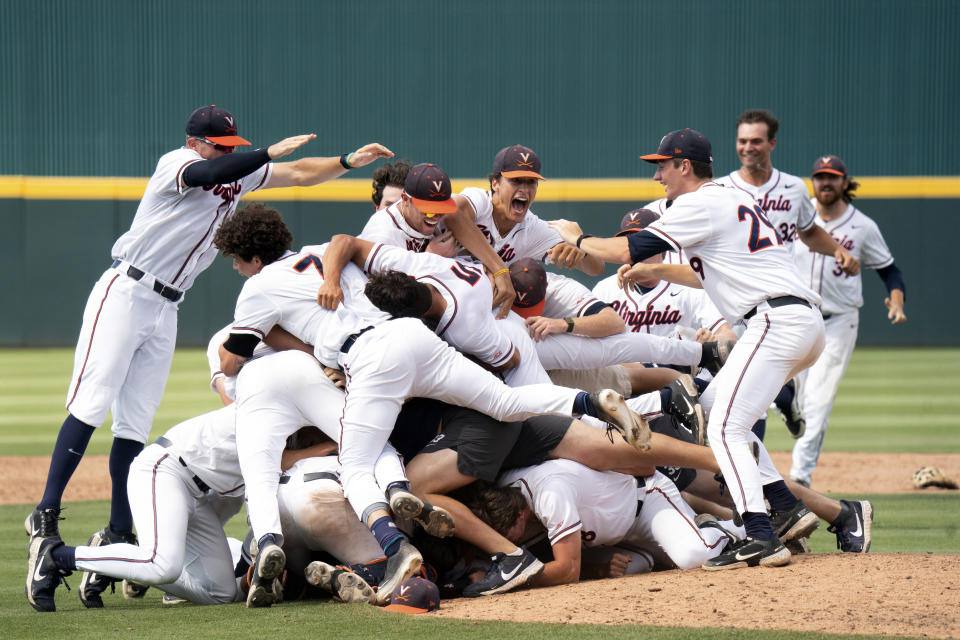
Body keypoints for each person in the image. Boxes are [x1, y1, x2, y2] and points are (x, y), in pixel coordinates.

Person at [24, 104, 393, 612]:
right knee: (92, 403)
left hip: (168, 304)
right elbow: (211, 172)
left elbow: (304, 173)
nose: (228, 152)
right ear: (196, 141)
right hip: (126, 288)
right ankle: (45, 516)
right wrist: (261, 154)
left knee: (133, 424)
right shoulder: (176, 164)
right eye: (221, 144)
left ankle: (115, 528)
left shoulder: (237, 170)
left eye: (233, 146)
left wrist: (348, 160)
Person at [213, 202, 654, 602]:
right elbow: (343, 245)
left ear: (252, 258)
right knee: (503, 401)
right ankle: (590, 402)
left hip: (370, 360)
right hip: (413, 338)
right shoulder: (319, 250)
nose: (236, 269)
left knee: (358, 463)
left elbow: (233, 358)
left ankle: (394, 543)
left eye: (236, 260)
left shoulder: (258, 287)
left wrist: (267, 330)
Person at [549, 128, 825, 570]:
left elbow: (626, 246)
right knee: (714, 410)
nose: (658, 175)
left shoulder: (699, 202)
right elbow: (710, 274)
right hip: (798, 320)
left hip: (774, 321)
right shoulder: (734, 199)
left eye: (662, 165)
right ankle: (784, 505)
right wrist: (654, 272)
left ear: (684, 166)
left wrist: (579, 239)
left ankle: (760, 534)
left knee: (724, 430)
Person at [789, 155, 907, 487]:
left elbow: (890, 271)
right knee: (787, 397)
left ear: (845, 182)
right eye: (819, 176)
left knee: (819, 399)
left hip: (838, 321)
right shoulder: (797, 215)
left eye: (832, 177)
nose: (825, 182)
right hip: (795, 317)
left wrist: (896, 299)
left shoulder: (863, 226)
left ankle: (800, 477)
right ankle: (789, 410)